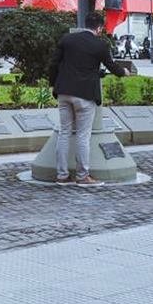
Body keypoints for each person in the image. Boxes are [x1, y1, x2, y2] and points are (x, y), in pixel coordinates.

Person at [46, 11, 129, 186]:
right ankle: (83, 176)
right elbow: (112, 66)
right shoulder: (99, 45)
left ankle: (62, 175)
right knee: (83, 135)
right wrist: (124, 72)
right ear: (99, 28)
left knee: (64, 133)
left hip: (64, 92)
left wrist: (53, 84)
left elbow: (54, 63)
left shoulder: (67, 40)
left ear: (85, 24)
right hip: (84, 95)